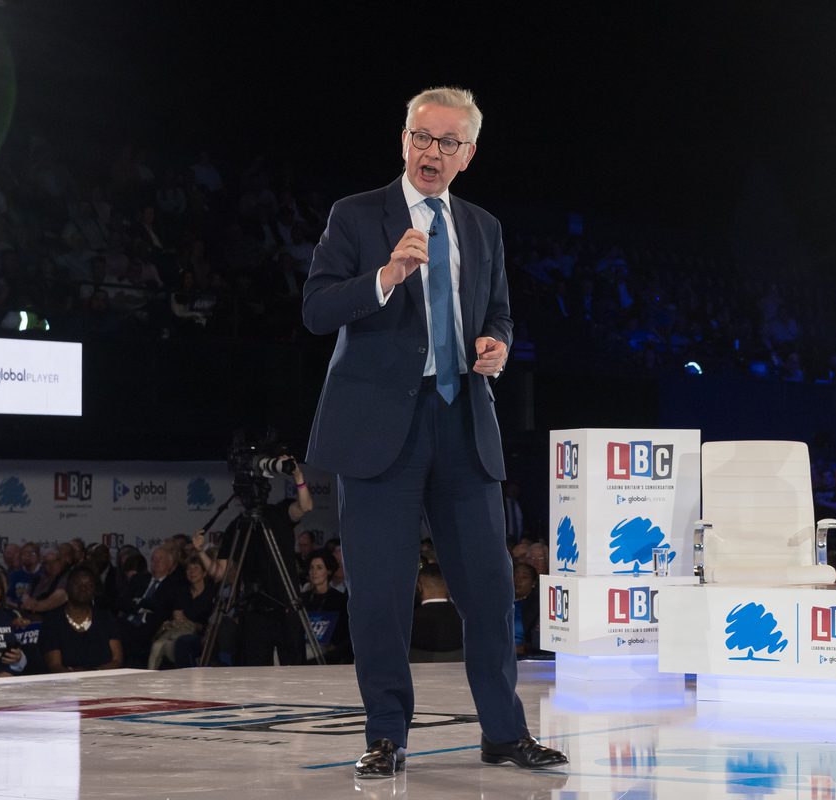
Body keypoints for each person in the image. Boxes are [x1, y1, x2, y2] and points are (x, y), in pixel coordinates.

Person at [302, 86, 565, 778]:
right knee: (382, 594)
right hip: (378, 428)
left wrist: (497, 346)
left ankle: (504, 734)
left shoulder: (483, 227)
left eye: (449, 142)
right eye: (422, 136)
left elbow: (501, 314)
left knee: (488, 589)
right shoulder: (356, 216)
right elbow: (316, 308)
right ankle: (386, 735)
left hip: (462, 420)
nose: (432, 151)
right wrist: (385, 276)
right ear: (403, 140)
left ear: (468, 155)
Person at [191, 453, 313, 666]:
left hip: (287, 606)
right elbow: (219, 572)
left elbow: (305, 507)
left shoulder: (280, 512)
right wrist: (200, 552)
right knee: (256, 673)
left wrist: (298, 476)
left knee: (296, 671)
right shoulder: (237, 526)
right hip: (255, 611)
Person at [38, 565, 122, 672]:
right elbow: (55, 665)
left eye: (89, 585)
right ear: (67, 587)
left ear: (94, 590)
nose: (83, 588)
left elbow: (117, 660)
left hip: (103, 681)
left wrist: (94, 673)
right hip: (66, 683)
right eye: (78, 584)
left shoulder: (105, 618)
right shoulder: (53, 621)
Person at [300, 549, 351, 664]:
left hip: (329, 656)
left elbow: (344, 635)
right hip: (304, 651)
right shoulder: (303, 598)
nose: (314, 572)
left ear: (328, 571)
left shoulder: (340, 600)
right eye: (311, 568)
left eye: (319, 568)